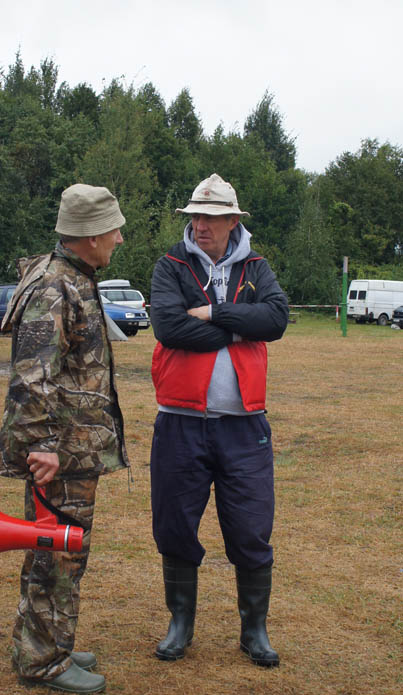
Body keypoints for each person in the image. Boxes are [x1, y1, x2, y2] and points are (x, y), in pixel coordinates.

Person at [149, 173, 288, 667]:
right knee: (174, 525)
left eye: (210, 217)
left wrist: (212, 314)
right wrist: (238, 328)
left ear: (233, 221)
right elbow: (169, 327)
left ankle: (254, 631)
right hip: (179, 421)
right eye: (195, 217)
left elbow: (275, 320)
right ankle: (180, 624)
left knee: (251, 527)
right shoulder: (170, 265)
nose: (200, 225)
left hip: (244, 425)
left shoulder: (257, 266)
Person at [0, 184, 129, 694]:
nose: (119, 238)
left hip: (73, 450)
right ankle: (44, 661)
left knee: (57, 551)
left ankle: (46, 643)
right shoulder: (56, 286)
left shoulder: (74, 278)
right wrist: (42, 446)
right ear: (91, 235)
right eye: (114, 230)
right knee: (57, 552)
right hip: (60, 454)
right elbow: (33, 374)